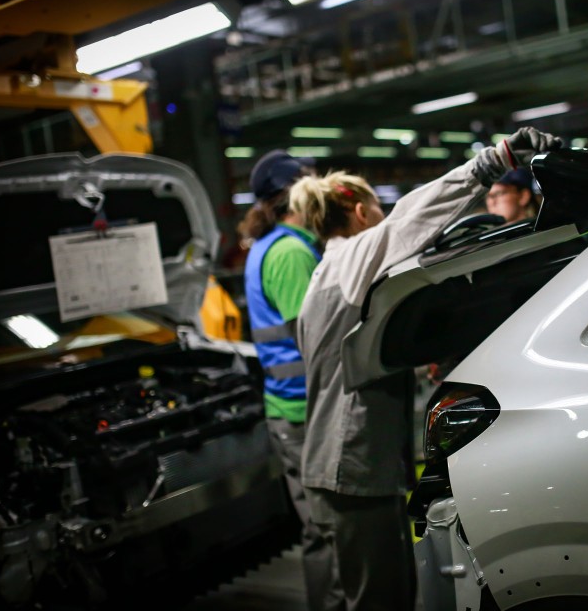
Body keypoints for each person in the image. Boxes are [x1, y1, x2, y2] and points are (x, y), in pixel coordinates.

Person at [292, 127, 563, 611]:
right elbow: (414, 216)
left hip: (334, 467)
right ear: (359, 211)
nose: (381, 222)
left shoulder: (323, 273)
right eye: (376, 213)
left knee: (367, 593)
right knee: (381, 600)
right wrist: (494, 161)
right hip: (351, 465)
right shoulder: (356, 255)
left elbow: (347, 362)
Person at [239, 149, 335, 607]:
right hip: (306, 411)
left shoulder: (267, 246)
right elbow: (316, 338)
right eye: (313, 180)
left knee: (320, 528)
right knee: (330, 530)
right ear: (294, 192)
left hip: (289, 407)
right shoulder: (292, 252)